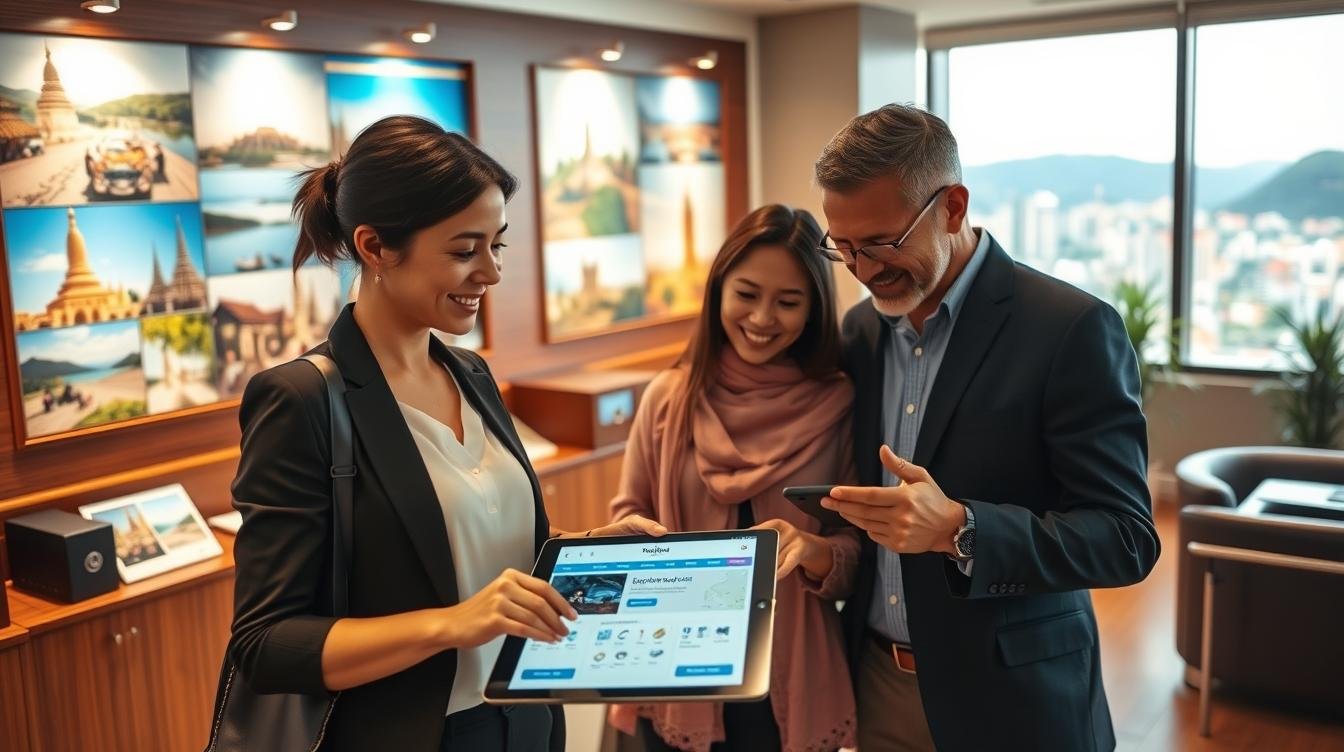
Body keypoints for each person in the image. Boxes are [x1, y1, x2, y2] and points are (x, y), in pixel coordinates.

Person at [223, 115, 666, 752]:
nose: (490, 272)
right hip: (416, 731)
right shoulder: (300, 400)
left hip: (529, 715)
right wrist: (451, 625)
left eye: (497, 245)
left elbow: (470, 553)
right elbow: (268, 643)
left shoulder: (471, 373)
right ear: (374, 248)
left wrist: (590, 548)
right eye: (464, 251)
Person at [812, 104, 1160, 751]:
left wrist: (960, 530)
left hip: (1018, 699)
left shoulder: (1070, 328)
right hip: (878, 686)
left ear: (952, 206)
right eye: (844, 248)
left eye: (883, 242)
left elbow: (1127, 538)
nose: (863, 270)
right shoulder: (859, 333)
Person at [608, 205, 859, 752]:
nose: (763, 318)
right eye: (746, 294)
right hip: (672, 664)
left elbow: (856, 556)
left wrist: (811, 548)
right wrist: (639, 543)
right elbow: (625, 516)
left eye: (788, 302)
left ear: (813, 309)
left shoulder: (837, 403)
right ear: (719, 290)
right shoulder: (667, 399)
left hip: (785, 678)